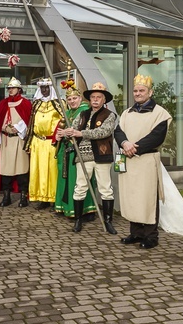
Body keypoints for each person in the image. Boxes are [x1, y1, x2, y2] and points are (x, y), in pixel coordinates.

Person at [114, 74, 173, 248]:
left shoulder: (160, 113)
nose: (138, 93)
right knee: (131, 197)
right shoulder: (127, 112)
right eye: (135, 90)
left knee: (147, 198)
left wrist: (135, 148)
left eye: (142, 90)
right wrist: (125, 143)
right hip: (129, 160)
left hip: (146, 161)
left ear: (150, 92)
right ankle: (136, 233)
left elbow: (156, 137)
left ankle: (150, 236)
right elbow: (118, 131)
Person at [63, 82, 117, 234]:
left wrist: (82, 133)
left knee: (105, 189)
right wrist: (67, 132)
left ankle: (108, 221)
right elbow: (73, 129)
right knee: (80, 187)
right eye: (93, 97)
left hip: (102, 156)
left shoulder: (110, 115)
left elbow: (103, 132)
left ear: (104, 100)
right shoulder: (82, 114)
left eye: (98, 97)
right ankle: (78, 220)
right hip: (83, 156)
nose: (95, 100)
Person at [54, 79, 96, 221]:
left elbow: (81, 130)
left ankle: (84, 211)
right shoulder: (67, 112)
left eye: (74, 98)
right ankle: (67, 207)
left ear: (80, 98)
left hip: (80, 151)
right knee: (67, 180)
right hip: (67, 150)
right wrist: (59, 135)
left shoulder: (84, 111)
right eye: (69, 99)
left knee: (80, 181)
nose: (72, 101)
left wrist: (67, 132)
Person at [24, 78, 63, 210]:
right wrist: (29, 143)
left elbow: (64, 121)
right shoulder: (36, 104)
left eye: (47, 88)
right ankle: (42, 198)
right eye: (42, 88)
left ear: (51, 88)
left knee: (52, 170)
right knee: (38, 170)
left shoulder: (59, 104)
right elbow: (31, 124)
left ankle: (53, 198)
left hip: (51, 142)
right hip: (37, 142)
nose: (44, 90)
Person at [0, 77, 31, 208]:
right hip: (6, 140)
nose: (11, 90)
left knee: (22, 169)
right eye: (9, 88)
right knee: (6, 169)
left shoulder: (25, 103)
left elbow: (29, 121)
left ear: (19, 89)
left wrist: (19, 127)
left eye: (13, 88)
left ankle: (23, 197)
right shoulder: (3, 103)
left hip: (19, 139)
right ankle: (6, 196)